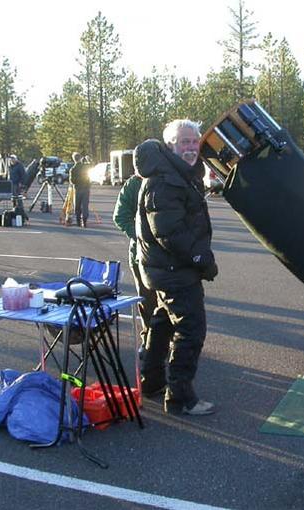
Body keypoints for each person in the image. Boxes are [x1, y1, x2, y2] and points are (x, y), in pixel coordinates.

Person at [135, 119, 218, 416]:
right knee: (191, 329)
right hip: (174, 271)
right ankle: (181, 397)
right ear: (171, 145)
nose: (191, 148)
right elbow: (169, 233)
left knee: (162, 323)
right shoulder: (165, 180)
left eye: (194, 142)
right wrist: (201, 259)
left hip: (164, 270)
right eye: (185, 142)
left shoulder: (177, 173)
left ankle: (152, 381)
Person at [113, 170, 158, 366]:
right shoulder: (134, 184)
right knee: (147, 301)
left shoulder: (170, 178)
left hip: (172, 258)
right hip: (142, 256)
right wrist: (142, 237)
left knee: (170, 303)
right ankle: (148, 341)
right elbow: (120, 216)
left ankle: (171, 341)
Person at [69, 152, 91, 227]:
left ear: (74, 159)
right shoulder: (85, 167)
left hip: (78, 189)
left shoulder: (73, 169)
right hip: (86, 189)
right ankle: (84, 221)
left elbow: (72, 181)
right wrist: (88, 159)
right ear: (80, 158)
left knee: (77, 206)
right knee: (85, 206)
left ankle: (78, 221)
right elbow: (91, 165)